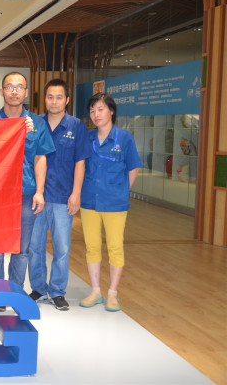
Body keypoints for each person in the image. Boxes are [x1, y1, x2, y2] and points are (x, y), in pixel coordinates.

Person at [0, 72, 55, 294]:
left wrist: (40, 192)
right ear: (2, 91)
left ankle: (15, 292)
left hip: (26, 192)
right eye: (9, 87)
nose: (14, 91)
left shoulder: (37, 123)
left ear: (26, 92)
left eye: (19, 87)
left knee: (22, 248)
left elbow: (40, 158)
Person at [28, 78, 91, 310]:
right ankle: (37, 288)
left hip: (64, 197)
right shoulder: (35, 123)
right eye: (50, 97)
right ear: (44, 99)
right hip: (37, 196)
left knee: (62, 248)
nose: (54, 101)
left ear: (67, 100)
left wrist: (76, 194)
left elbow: (80, 163)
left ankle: (57, 291)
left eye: (59, 97)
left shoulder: (77, 127)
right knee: (34, 247)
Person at [79, 93, 142, 312]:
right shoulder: (87, 138)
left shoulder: (124, 138)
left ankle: (113, 293)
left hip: (115, 203)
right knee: (92, 246)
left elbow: (133, 167)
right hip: (89, 201)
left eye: (100, 109)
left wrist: (121, 191)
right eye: (92, 111)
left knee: (115, 247)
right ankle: (96, 291)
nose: (96, 114)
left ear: (111, 111)